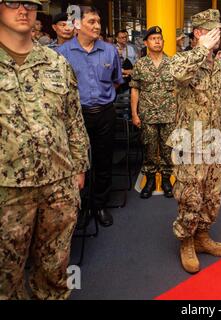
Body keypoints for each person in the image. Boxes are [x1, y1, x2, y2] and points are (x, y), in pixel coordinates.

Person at [0, 0, 90, 299]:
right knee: (5, 277)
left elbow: (74, 120)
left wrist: (79, 167)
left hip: (58, 185)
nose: (22, 10)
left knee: (54, 269)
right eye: (12, 3)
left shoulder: (56, 63)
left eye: (29, 4)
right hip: (8, 190)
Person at [168, 9, 221, 274]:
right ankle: (186, 241)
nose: (218, 36)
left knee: (212, 196)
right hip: (190, 143)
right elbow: (178, 74)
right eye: (212, 30)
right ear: (198, 33)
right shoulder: (184, 60)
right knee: (190, 196)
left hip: (213, 142)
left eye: (220, 31)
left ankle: (203, 236)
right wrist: (200, 50)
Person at [57, 6, 124, 228]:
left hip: (105, 113)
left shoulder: (109, 51)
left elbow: (116, 80)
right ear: (77, 24)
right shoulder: (63, 53)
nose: (97, 26)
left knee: (104, 160)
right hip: (77, 117)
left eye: (98, 21)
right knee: (79, 164)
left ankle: (99, 205)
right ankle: (80, 205)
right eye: (91, 21)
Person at [130, 26, 176, 199]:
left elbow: (178, 91)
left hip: (168, 114)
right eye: (153, 38)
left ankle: (166, 180)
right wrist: (134, 114)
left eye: (160, 38)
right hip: (147, 114)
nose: (157, 41)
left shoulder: (172, 63)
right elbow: (135, 90)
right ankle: (150, 180)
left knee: (167, 148)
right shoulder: (140, 65)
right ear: (146, 42)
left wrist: (178, 112)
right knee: (149, 148)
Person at [115, 29, 138, 93]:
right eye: (122, 37)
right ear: (117, 38)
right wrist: (123, 71)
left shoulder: (131, 49)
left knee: (126, 100)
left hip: (128, 80)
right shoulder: (111, 49)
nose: (124, 39)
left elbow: (136, 64)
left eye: (126, 37)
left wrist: (133, 71)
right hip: (115, 82)